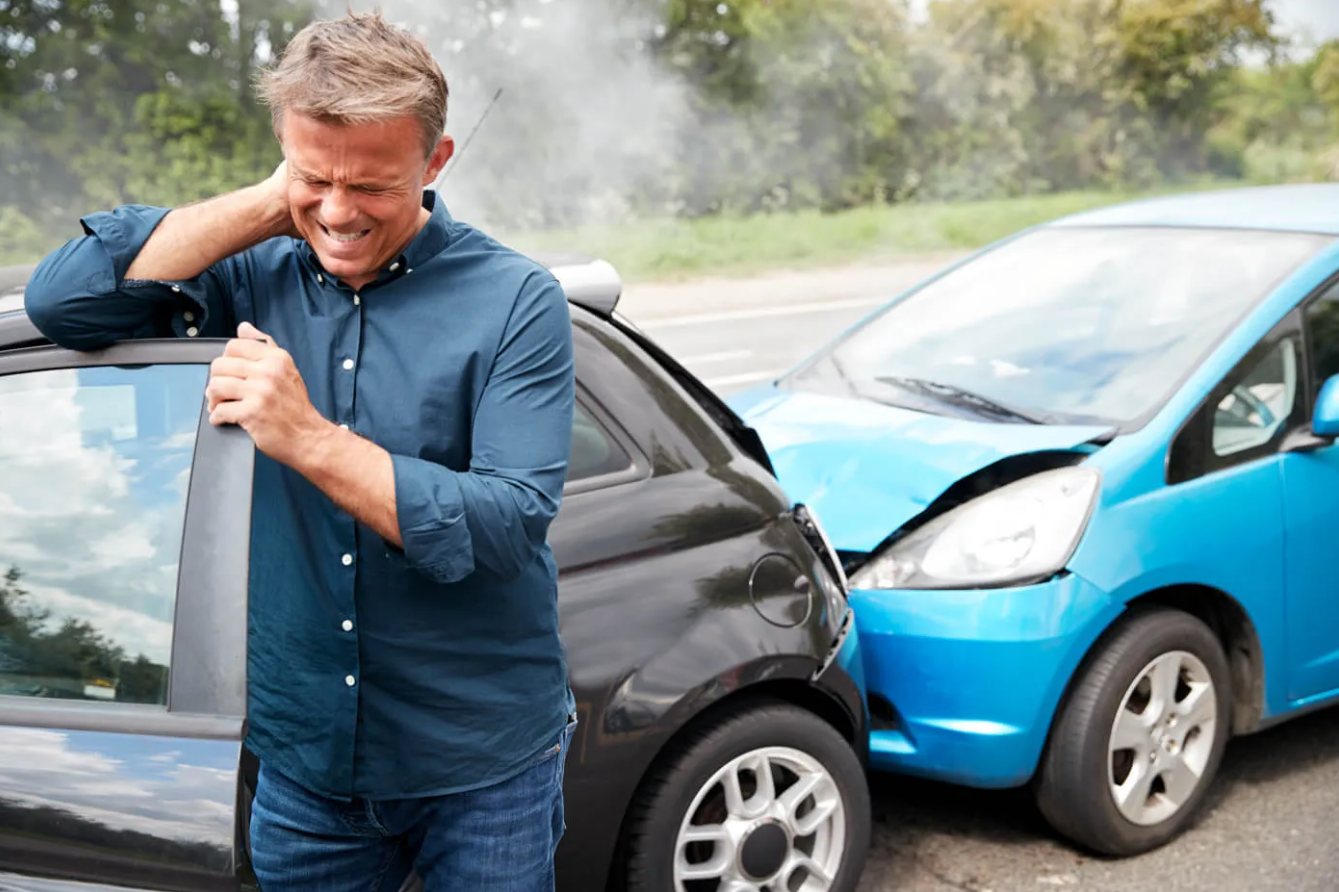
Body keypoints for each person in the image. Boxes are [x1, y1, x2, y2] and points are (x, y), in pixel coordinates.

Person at [23, 10, 577, 892]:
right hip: (306, 766)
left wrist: (309, 438)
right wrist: (274, 199)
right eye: (315, 177)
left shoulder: (517, 300)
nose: (339, 213)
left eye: (373, 186)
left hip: (484, 763)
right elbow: (63, 304)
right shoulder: (244, 272)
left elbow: (507, 524)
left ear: (435, 161)